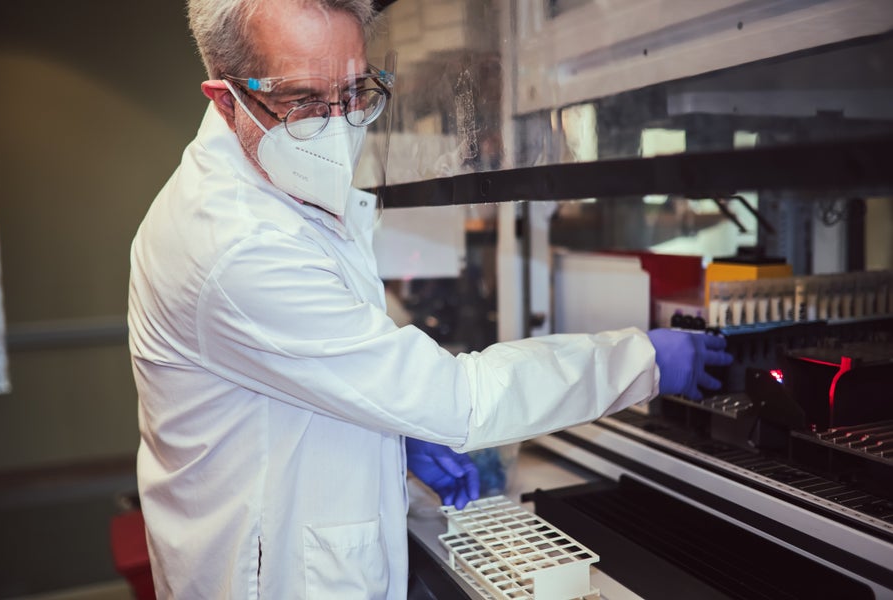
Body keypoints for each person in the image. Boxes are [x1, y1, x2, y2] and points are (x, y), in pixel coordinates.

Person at [127, 0, 733, 598]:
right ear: (225, 99)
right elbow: (459, 401)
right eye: (305, 101)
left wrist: (395, 432)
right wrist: (643, 358)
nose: (338, 124)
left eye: (356, 92)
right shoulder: (235, 242)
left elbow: (317, 370)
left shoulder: (277, 187)